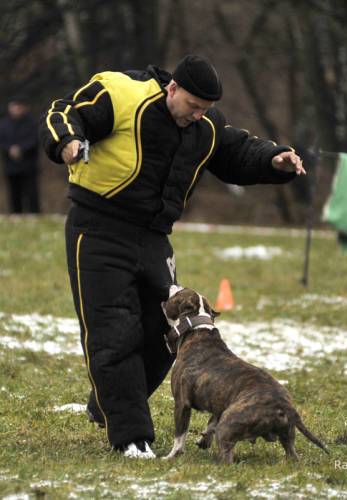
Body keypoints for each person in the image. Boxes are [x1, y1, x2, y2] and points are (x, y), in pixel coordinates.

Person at [40, 55, 305, 459]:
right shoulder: (123, 94)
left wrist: (274, 159)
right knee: (113, 332)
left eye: (205, 110)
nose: (197, 115)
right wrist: (67, 142)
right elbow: (63, 111)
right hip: (98, 227)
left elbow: (236, 151)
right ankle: (131, 437)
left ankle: (105, 403)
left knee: (172, 333)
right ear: (173, 88)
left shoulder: (206, 125)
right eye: (193, 106)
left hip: (154, 237)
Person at [0, 96, 40, 213]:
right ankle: (15, 215)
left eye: (18, 107)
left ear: (24, 108)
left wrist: (21, 149)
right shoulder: (4, 124)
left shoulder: (32, 123)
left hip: (28, 165)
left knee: (31, 193)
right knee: (14, 194)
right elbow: (2, 141)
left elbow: (35, 140)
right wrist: (10, 149)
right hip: (11, 166)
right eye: (13, 106)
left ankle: (34, 215)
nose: (15, 109)